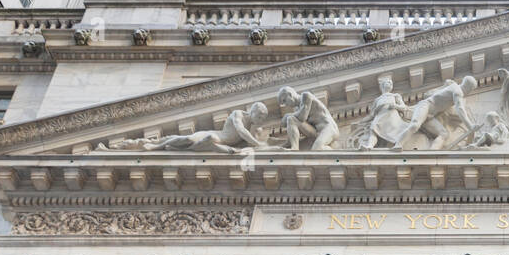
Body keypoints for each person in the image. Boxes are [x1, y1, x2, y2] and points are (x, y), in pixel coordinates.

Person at [101, 102, 269, 154]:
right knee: (188, 139)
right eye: (260, 116)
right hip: (214, 135)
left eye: (263, 119)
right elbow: (241, 132)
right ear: (253, 111)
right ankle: (155, 146)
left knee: (211, 145)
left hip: (217, 143)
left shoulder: (253, 126)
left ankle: (164, 146)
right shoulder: (238, 114)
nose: (261, 121)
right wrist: (257, 144)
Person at [388, 76, 479, 151]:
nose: (469, 92)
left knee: (444, 134)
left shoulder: (454, 88)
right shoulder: (458, 91)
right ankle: (398, 145)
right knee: (415, 125)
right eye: (471, 89)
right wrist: (470, 125)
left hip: (430, 116)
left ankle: (432, 152)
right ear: (468, 87)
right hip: (425, 106)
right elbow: (460, 109)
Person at [354, 76, 411, 150]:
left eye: (391, 83)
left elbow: (404, 108)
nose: (390, 84)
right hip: (379, 117)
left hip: (392, 117)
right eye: (388, 82)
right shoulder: (377, 100)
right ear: (382, 85)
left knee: (396, 131)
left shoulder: (395, 96)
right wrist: (361, 122)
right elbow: (371, 115)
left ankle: (398, 145)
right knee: (373, 130)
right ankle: (369, 146)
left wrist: (395, 106)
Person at [277, 86, 339, 151]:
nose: (286, 105)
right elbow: (290, 123)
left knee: (317, 149)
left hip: (328, 128)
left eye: (284, 100)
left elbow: (302, 116)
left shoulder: (305, 96)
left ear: (290, 94)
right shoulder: (297, 110)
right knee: (291, 120)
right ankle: (294, 148)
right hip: (316, 132)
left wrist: (287, 115)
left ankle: (338, 154)